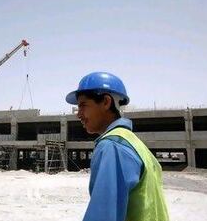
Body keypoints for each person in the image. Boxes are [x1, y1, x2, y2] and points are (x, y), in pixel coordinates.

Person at [66, 72, 169, 221]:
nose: (78, 114)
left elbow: (103, 215)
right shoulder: (135, 143)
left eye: (83, 105)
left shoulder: (112, 146)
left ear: (106, 102)